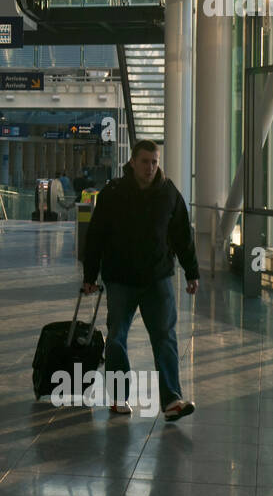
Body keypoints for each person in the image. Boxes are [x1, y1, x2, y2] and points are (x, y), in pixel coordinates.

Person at [82, 140, 199, 420]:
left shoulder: (168, 193)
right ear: (132, 162)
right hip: (120, 278)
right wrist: (90, 275)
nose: (150, 168)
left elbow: (183, 235)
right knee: (117, 339)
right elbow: (96, 235)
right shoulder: (113, 193)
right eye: (145, 162)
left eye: (154, 162)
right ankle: (119, 397)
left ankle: (172, 400)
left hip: (157, 277)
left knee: (165, 338)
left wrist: (192, 271)